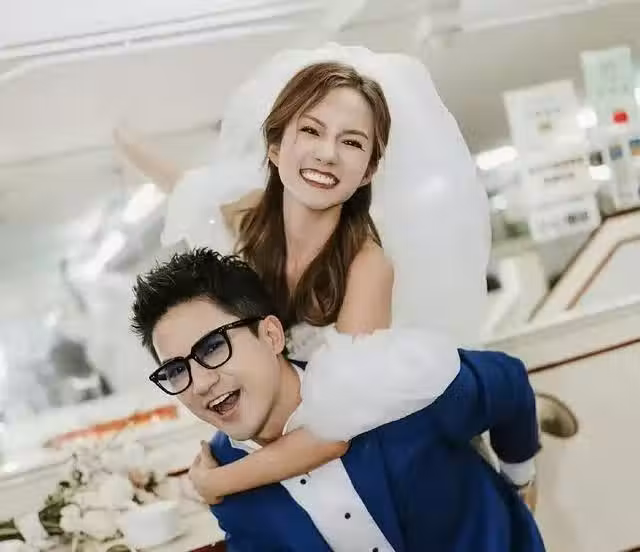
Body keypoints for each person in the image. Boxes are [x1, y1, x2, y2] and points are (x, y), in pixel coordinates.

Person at [119, 44, 507, 503]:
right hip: (309, 467)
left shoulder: (366, 267)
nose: (328, 154)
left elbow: (335, 430)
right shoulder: (248, 220)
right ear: (276, 146)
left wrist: (214, 483)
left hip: (408, 467)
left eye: (352, 142)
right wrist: (124, 139)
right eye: (311, 130)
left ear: (369, 170)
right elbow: (186, 187)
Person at [130, 249, 544, 551]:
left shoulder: (384, 380)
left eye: (213, 347)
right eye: (176, 370)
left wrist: (520, 478)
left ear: (271, 335)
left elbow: (506, 382)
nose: (200, 382)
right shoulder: (223, 475)